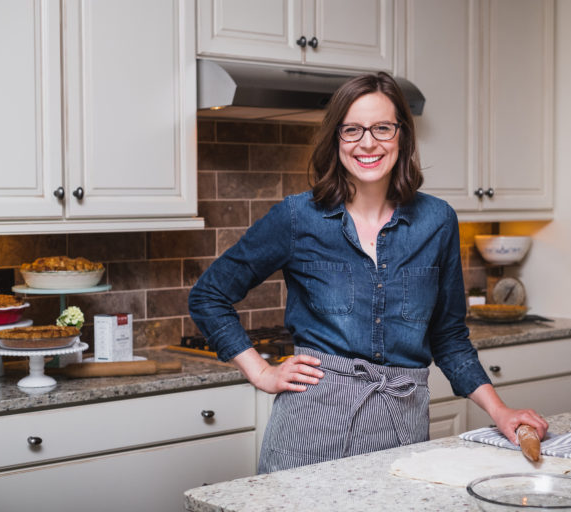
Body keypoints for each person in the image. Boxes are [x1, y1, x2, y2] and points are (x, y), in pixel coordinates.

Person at [188, 71, 548, 474]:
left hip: (402, 429)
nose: (368, 142)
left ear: (402, 137)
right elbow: (208, 295)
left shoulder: (438, 221)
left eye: (382, 128)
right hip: (310, 426)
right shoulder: (297, 216)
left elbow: (448, 337)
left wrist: (499, 411)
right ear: (336, 139)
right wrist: (261, 372)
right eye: (352, 130)